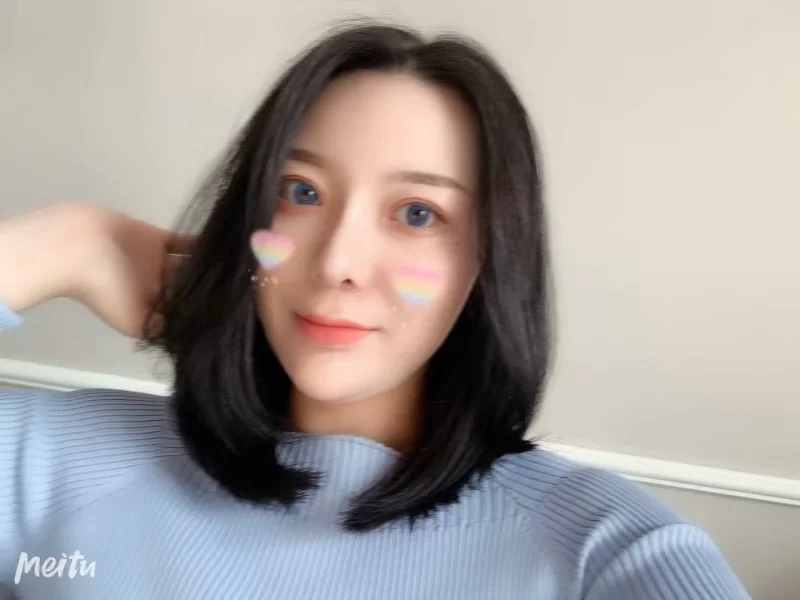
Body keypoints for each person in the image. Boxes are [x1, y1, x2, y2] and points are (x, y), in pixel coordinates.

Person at [0, 22, 749, 600]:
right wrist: (63, 246)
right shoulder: (54, 462)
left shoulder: (604, 548)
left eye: (418, 213)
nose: (337, 262)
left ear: (487, 263)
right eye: (300, 193)